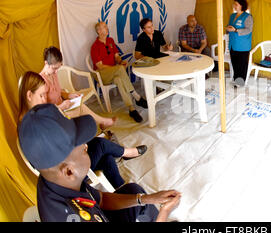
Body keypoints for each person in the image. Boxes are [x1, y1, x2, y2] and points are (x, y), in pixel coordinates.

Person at [18, 103, 181, 222]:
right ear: (69, 171)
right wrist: (164, 213)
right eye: (81, 147)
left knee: (133, 190)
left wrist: (146, 199)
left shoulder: (56, 181)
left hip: (98, 213)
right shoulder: (74, 216)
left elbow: (100, 199)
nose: (86, 145)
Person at [18, 71, 147, 189]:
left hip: (69, 161)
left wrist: (79, 145)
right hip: (68, 175)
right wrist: (78, 149)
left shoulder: (34, 118)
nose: (44, 99)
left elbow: (61, 142)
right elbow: (52, 160)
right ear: (29, 95)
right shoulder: (32, 126)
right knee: (101, 144)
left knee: (106, 157)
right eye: (41, 95)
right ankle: (127, 153)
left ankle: (120, 188)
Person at [39, 46, 116, 129]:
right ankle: (102, 122)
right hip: (56, 115)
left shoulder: (53, 74)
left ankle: (102, 122)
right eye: (55, 68)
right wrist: (61, 107)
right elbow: (44, 111)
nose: (57, 71)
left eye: (58, 68)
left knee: (81, 107)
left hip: (63, 108)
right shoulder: (40, 82)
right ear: (46, 63)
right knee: (81, 111)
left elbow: (58, 92)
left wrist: (69, 95)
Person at [90, 22, 148, 123]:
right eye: (104, 27)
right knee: (120, 69)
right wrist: (118, 67)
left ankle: (131, 109)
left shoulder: (110, 40)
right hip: (101, 74)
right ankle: (136, 95)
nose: (107, 28)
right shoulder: (95, 46)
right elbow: (100, 66)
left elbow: (116, 56)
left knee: (119, 79)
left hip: (114, 72)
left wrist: (121, 61)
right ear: (99, 31)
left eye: (106, 26)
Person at [226, 0, 253, 87]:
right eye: (234, 4)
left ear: (242, 5)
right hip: (232, 44)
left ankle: (240, 82)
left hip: (243, 46)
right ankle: (236, 79)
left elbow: (248, 30)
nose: (234, 6)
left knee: (242, 65)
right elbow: (230, 26)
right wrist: (228, 29)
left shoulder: (247, 16)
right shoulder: (232, 16)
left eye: (236, 4)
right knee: (234, 63)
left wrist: (236, 30)